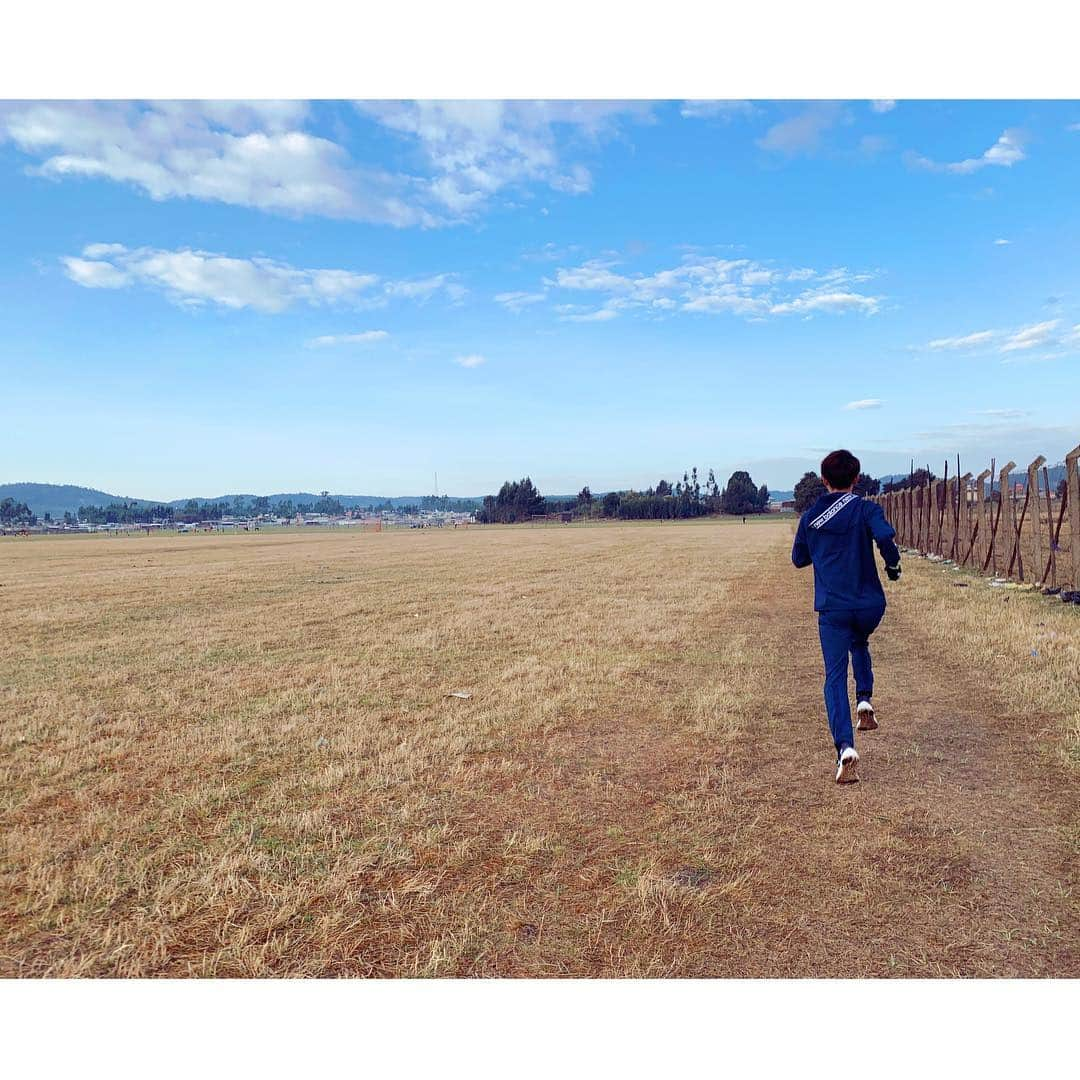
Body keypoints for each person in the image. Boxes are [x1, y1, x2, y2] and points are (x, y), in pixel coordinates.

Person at [791, 449, 901, 783]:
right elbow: (884, 535)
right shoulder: (866, 508)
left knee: (834, 676)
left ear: (824, 480)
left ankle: (845, 748)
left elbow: (798, 559)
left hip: (833, 607)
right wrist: (892, 564)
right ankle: (865, 701)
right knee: (860, 640)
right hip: (869, 605)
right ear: (856, 478)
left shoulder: (811, 517)